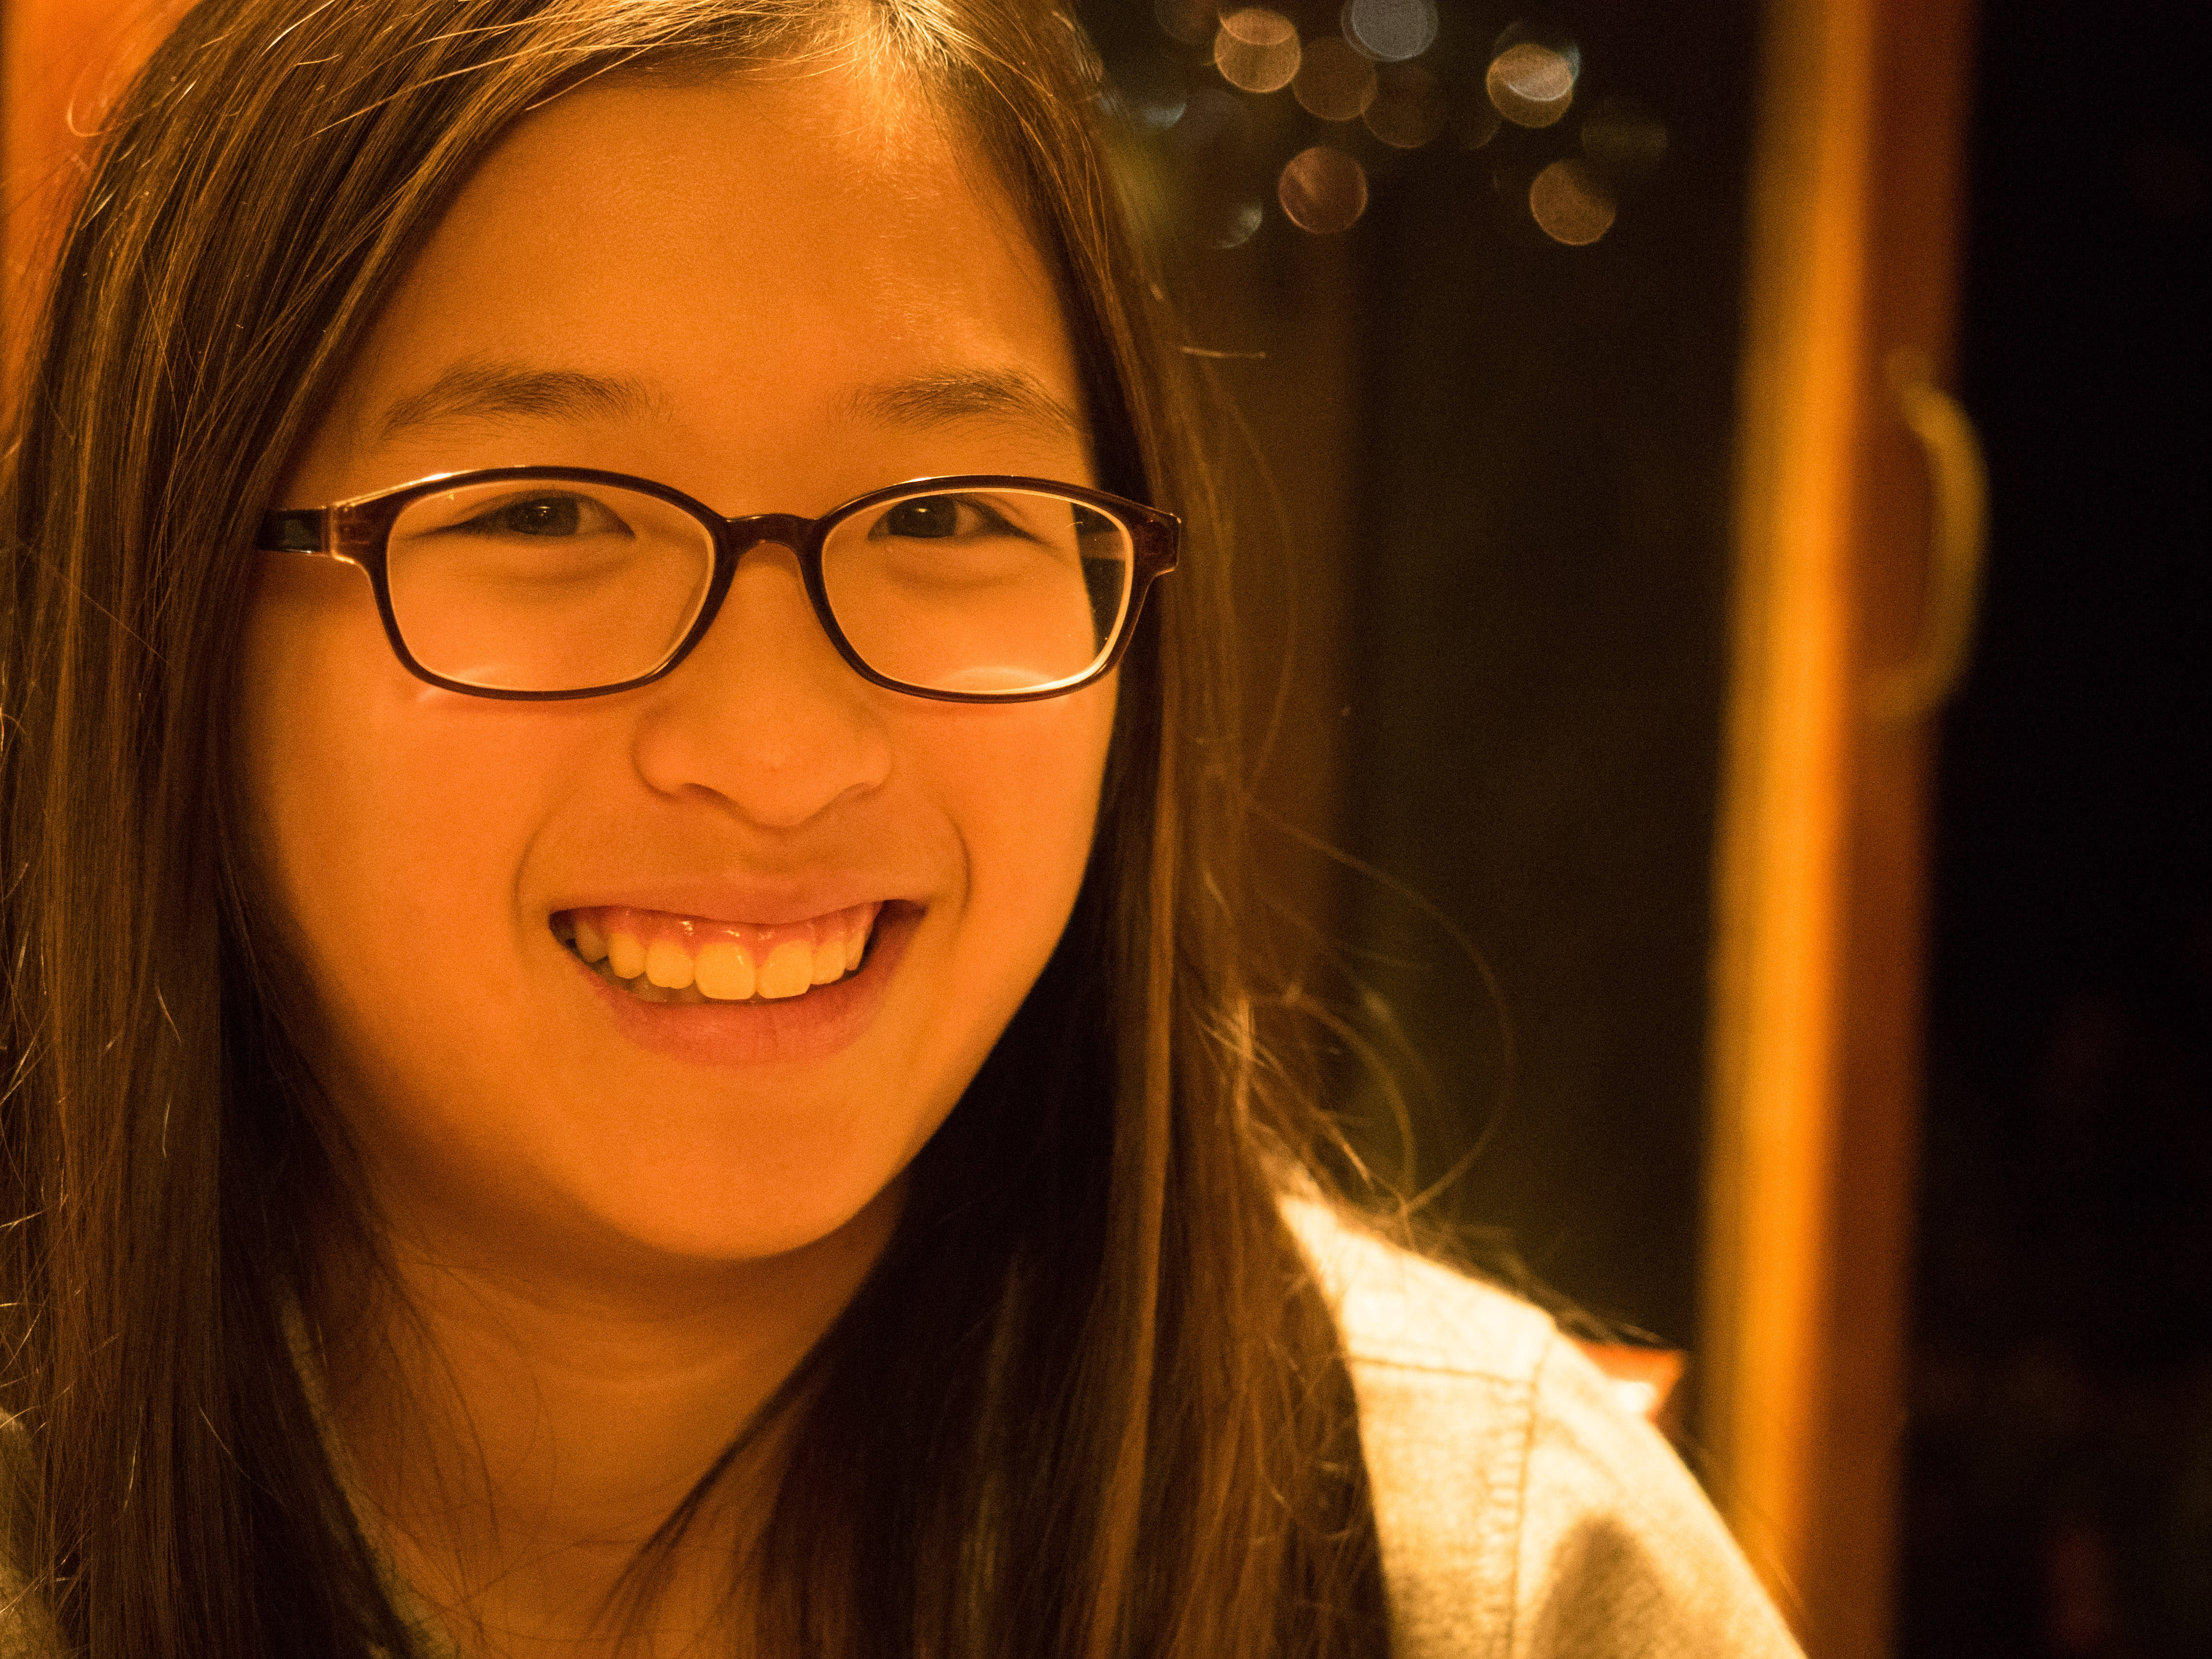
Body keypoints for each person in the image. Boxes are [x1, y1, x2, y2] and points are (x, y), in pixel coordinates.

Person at [0, 1, 1807, 1654]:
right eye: (543, 512)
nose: (777, 756)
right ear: (168, 600)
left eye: (945, 515)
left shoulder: (1484, 1571)